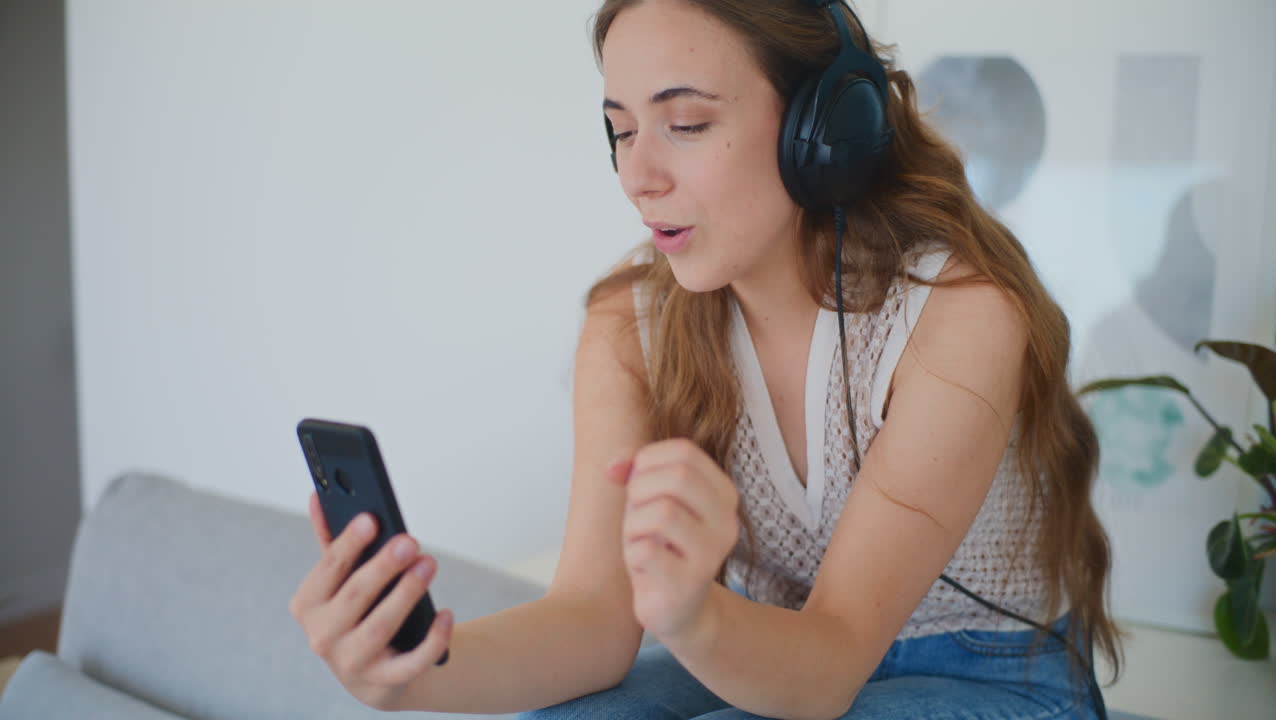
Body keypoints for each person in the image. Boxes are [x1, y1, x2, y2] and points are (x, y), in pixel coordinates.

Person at [289, 1, 1123, 718]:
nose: (637, 175)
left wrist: (693, 616)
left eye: (685, 123)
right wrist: (416, 671)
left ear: (821, 129)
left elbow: (832, 660)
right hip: (762, 661)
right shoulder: (631, 325)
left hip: (994, 675)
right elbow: (592, 619)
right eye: (619, 129)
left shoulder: (958, 311)